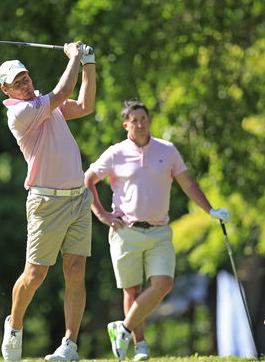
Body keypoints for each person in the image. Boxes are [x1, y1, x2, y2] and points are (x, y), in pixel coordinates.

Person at [84, 99, 230, 361]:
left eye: (144, 118)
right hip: (126, 230)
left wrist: (210, 210)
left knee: (163, 284)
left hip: (159, 231)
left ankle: (124, 328)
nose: (140, 124)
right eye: (135, 120)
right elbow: (88, 180)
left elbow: (187, 184)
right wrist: (102, 214)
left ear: (149, 121)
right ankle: (140, 347)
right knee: (132, 291)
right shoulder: (116, 153)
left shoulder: (168, 150)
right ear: (126, 124)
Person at [0, 41, 96, 362]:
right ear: (6, 90)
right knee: (35, 274)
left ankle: (70, 345)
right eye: (17, 82)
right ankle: (14, 326)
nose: (25, 84)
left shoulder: (44, 102)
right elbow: (64, 91)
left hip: (78, 198)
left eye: (25, 78)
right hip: (46, 202)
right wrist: (73, 57)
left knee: (76, 269)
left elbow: (85, 106)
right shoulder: (21, 113)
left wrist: (89, 66)